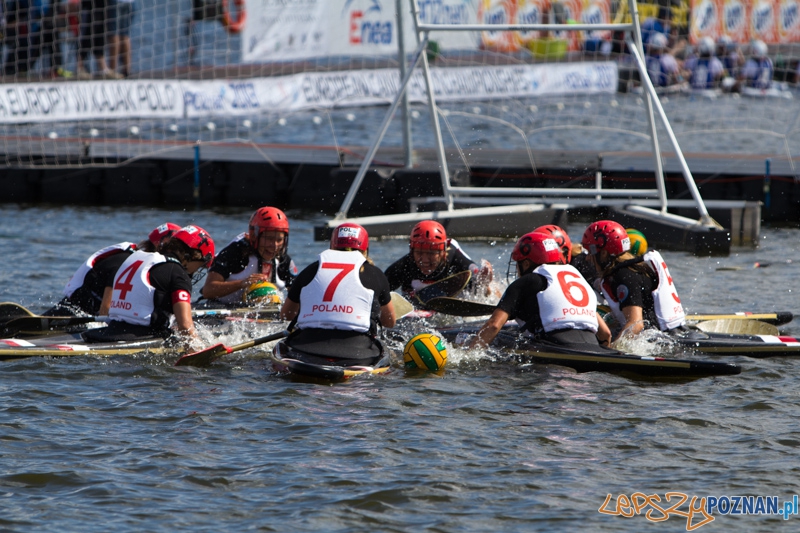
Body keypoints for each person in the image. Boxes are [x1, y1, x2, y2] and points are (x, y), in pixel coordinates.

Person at [469, 231, 612, 349]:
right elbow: (606, 334)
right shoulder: (576, 277)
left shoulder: (527, 281)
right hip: (592, 344)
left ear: (526, 263)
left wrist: (469, 354)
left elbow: (494, 325)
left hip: (555, 346)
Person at [279, 223, 396, 365]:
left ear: (332, 246)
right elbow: (389, 322)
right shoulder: (376, 274)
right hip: (358, 353)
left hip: (304, 348)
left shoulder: (310, 270)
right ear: (365, 250)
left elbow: (286, 314)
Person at [84, 225, 214, 343]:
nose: (198, 270)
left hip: (112, 328)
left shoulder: (138, 257)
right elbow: (185, 327)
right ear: (194, 255)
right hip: (142, 335)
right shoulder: (178, 273)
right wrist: (201, 348)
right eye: (201, 264)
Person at [43, 222, 181, 317]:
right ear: (162, 246)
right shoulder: (128, 261)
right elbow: (106, 307)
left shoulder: (142, 261)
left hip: (88, 309)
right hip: (75, 309)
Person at [581, 220, 685, 340]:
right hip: (671, 333)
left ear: (604, 253)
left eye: (590, 253)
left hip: (663, 340)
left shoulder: (624, 275)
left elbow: (636, 324)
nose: (588, 258)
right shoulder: (630, 268)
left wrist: (613, 349)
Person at [201, 206, 297, 307]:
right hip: (220, 308)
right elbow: (208, 291)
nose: (274, 246)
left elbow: (299, 295)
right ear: (254, 236)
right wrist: (242, 283)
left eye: (279, 240)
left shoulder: (284, 261)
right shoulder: (234, 253)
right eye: (269, 239)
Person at [383, 220, 494, 301]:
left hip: (454, 292)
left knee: (485, 289)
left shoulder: (454, 256)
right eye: (419, 253)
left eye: (431, 253)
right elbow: (378, 293)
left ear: (442, 253)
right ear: (412, 252)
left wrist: (484, 280)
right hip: (416, 301)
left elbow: (476, 274)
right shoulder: (403, 266)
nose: (425, 260)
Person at [114, 0, 133, 77]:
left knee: (114, 34)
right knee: (125, 35)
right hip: (130, 2)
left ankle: (112, 70)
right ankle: (126, 70)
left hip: (116, 2)